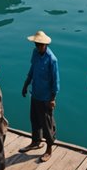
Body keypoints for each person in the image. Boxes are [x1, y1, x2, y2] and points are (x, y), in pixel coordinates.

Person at [21, 30, 59, 162]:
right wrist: (26, 84)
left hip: (46, 97)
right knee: (34, 119)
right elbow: (32, 70)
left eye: (40, 45)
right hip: (35, 93)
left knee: (47, 123)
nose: (37, 47)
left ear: (45, 45)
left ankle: (49, 149)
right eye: (36, 44)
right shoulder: (35, 54)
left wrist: (52, 98)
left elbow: (55, 81)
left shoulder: (52, 60)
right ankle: (36, 141)